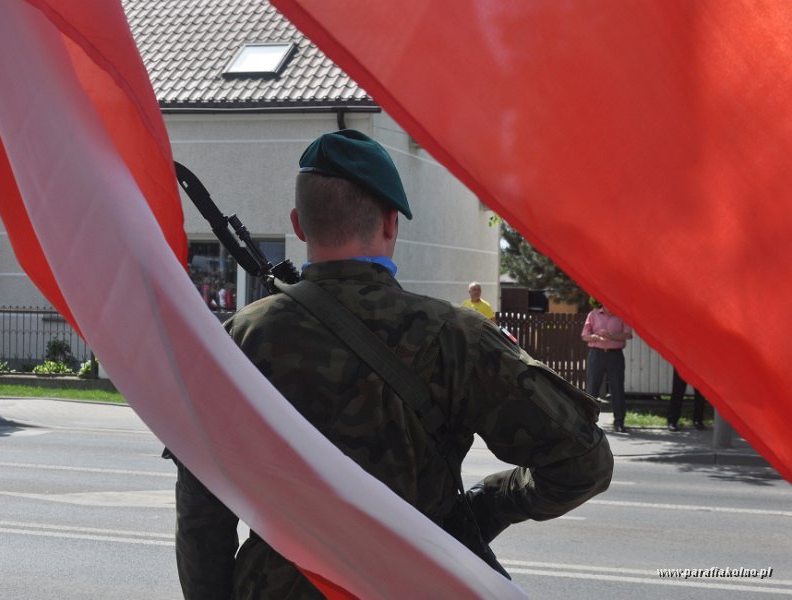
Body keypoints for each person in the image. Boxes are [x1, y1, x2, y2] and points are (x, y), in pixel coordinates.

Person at [171, 129, 613, 599]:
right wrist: (486, 508)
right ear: (390, 223)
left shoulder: (239, 339)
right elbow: (583, 462)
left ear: (299, 225)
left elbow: (201, 515)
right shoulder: (452, 336)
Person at [581, 299, 634, 433]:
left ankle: (619, 422)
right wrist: (597, 337)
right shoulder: (593, 314)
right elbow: (585, 335)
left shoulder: (622, 315)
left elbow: (628, 334)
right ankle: (588, 422)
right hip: (596, 354)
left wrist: (611, 336)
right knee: (592, 388)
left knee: (617, 388)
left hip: (615, 355)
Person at [666, 367, 708, 431]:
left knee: (700, 392)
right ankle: (672, 420)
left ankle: (698, 420)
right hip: (682, 362)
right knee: (678, 391)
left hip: (699, 361)